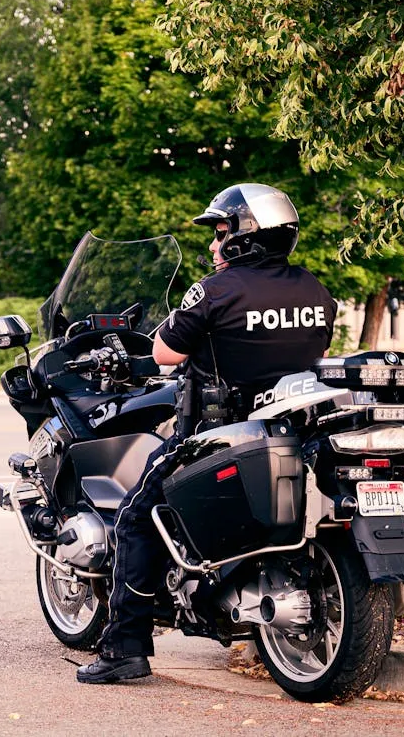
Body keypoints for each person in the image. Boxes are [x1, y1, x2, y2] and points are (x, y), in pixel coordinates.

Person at [76, 182, 339, 684]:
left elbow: (165, 355)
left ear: (245, 238)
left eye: (221, 234)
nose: (214, 246)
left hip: (220, 432)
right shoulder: (314, 289)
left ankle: (124, 648)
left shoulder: (214, 290)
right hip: (295, 429)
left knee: (136, 516)